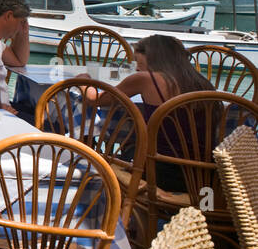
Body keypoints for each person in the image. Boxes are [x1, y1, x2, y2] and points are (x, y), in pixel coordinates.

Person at [81, 34, 213, 193]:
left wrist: (84, 81)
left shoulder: (146, 79)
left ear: (152, 56)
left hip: (160, 173)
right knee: (132, 146)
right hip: (205, 175)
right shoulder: (201, 82)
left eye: (138, 60)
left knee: (94, 159)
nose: (136, 67)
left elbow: (95, 99)